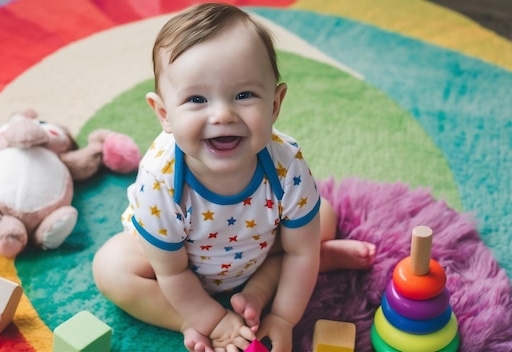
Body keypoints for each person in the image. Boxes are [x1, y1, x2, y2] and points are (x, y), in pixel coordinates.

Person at [92, 3, 376, 352]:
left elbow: (300, 251)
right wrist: (212, 320)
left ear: (274, 104)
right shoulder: (161, 181)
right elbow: (172, 273)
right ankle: (185, 320)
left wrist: (285, 318)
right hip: (180, 267)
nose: (222, 114)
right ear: (164, 114)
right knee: (111, 268)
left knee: (322, 218)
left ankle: (296, 270)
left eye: (244, 95)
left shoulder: (286, 163)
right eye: (197, 99)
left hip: (258, 249)